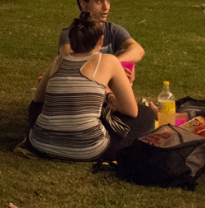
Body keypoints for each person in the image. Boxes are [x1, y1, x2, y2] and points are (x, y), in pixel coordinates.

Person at [28, 13, 156, 161]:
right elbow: (131, 111)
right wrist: (110, 95)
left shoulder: (59, 60)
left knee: (38, 107)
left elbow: (37, 100)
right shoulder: (108, 61)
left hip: (41, 144)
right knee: (145, 114)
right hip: (88, 149)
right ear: (100, 41)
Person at [58, 0, 146, 78]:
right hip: (84, 82)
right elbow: (69, 60)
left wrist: (115, 63)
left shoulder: (113, 30)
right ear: (83, 4)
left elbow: (138, 50)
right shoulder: (71, 33)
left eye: (108, 1)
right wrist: (109, 67)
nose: (106, 7)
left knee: (126, 53)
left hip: (107, 83)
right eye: (99, 2)